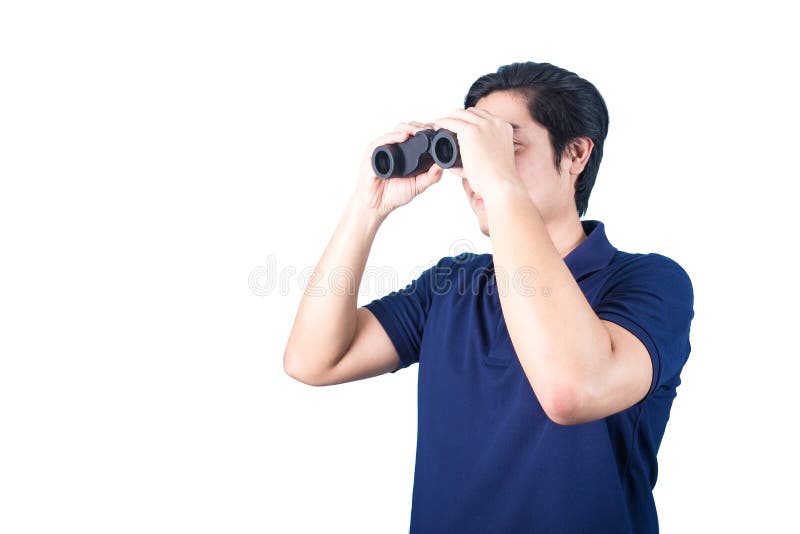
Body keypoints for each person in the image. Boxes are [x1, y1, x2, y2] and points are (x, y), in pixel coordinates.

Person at [283, 61, 695, 534]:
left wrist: (500, 182)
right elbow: (313, 361)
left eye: (506, 148)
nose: (475, 174)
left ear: (577, 153)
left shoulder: (649, 282)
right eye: (472, 156)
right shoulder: (452, 285)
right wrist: (366, 207)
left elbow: (571, 390)